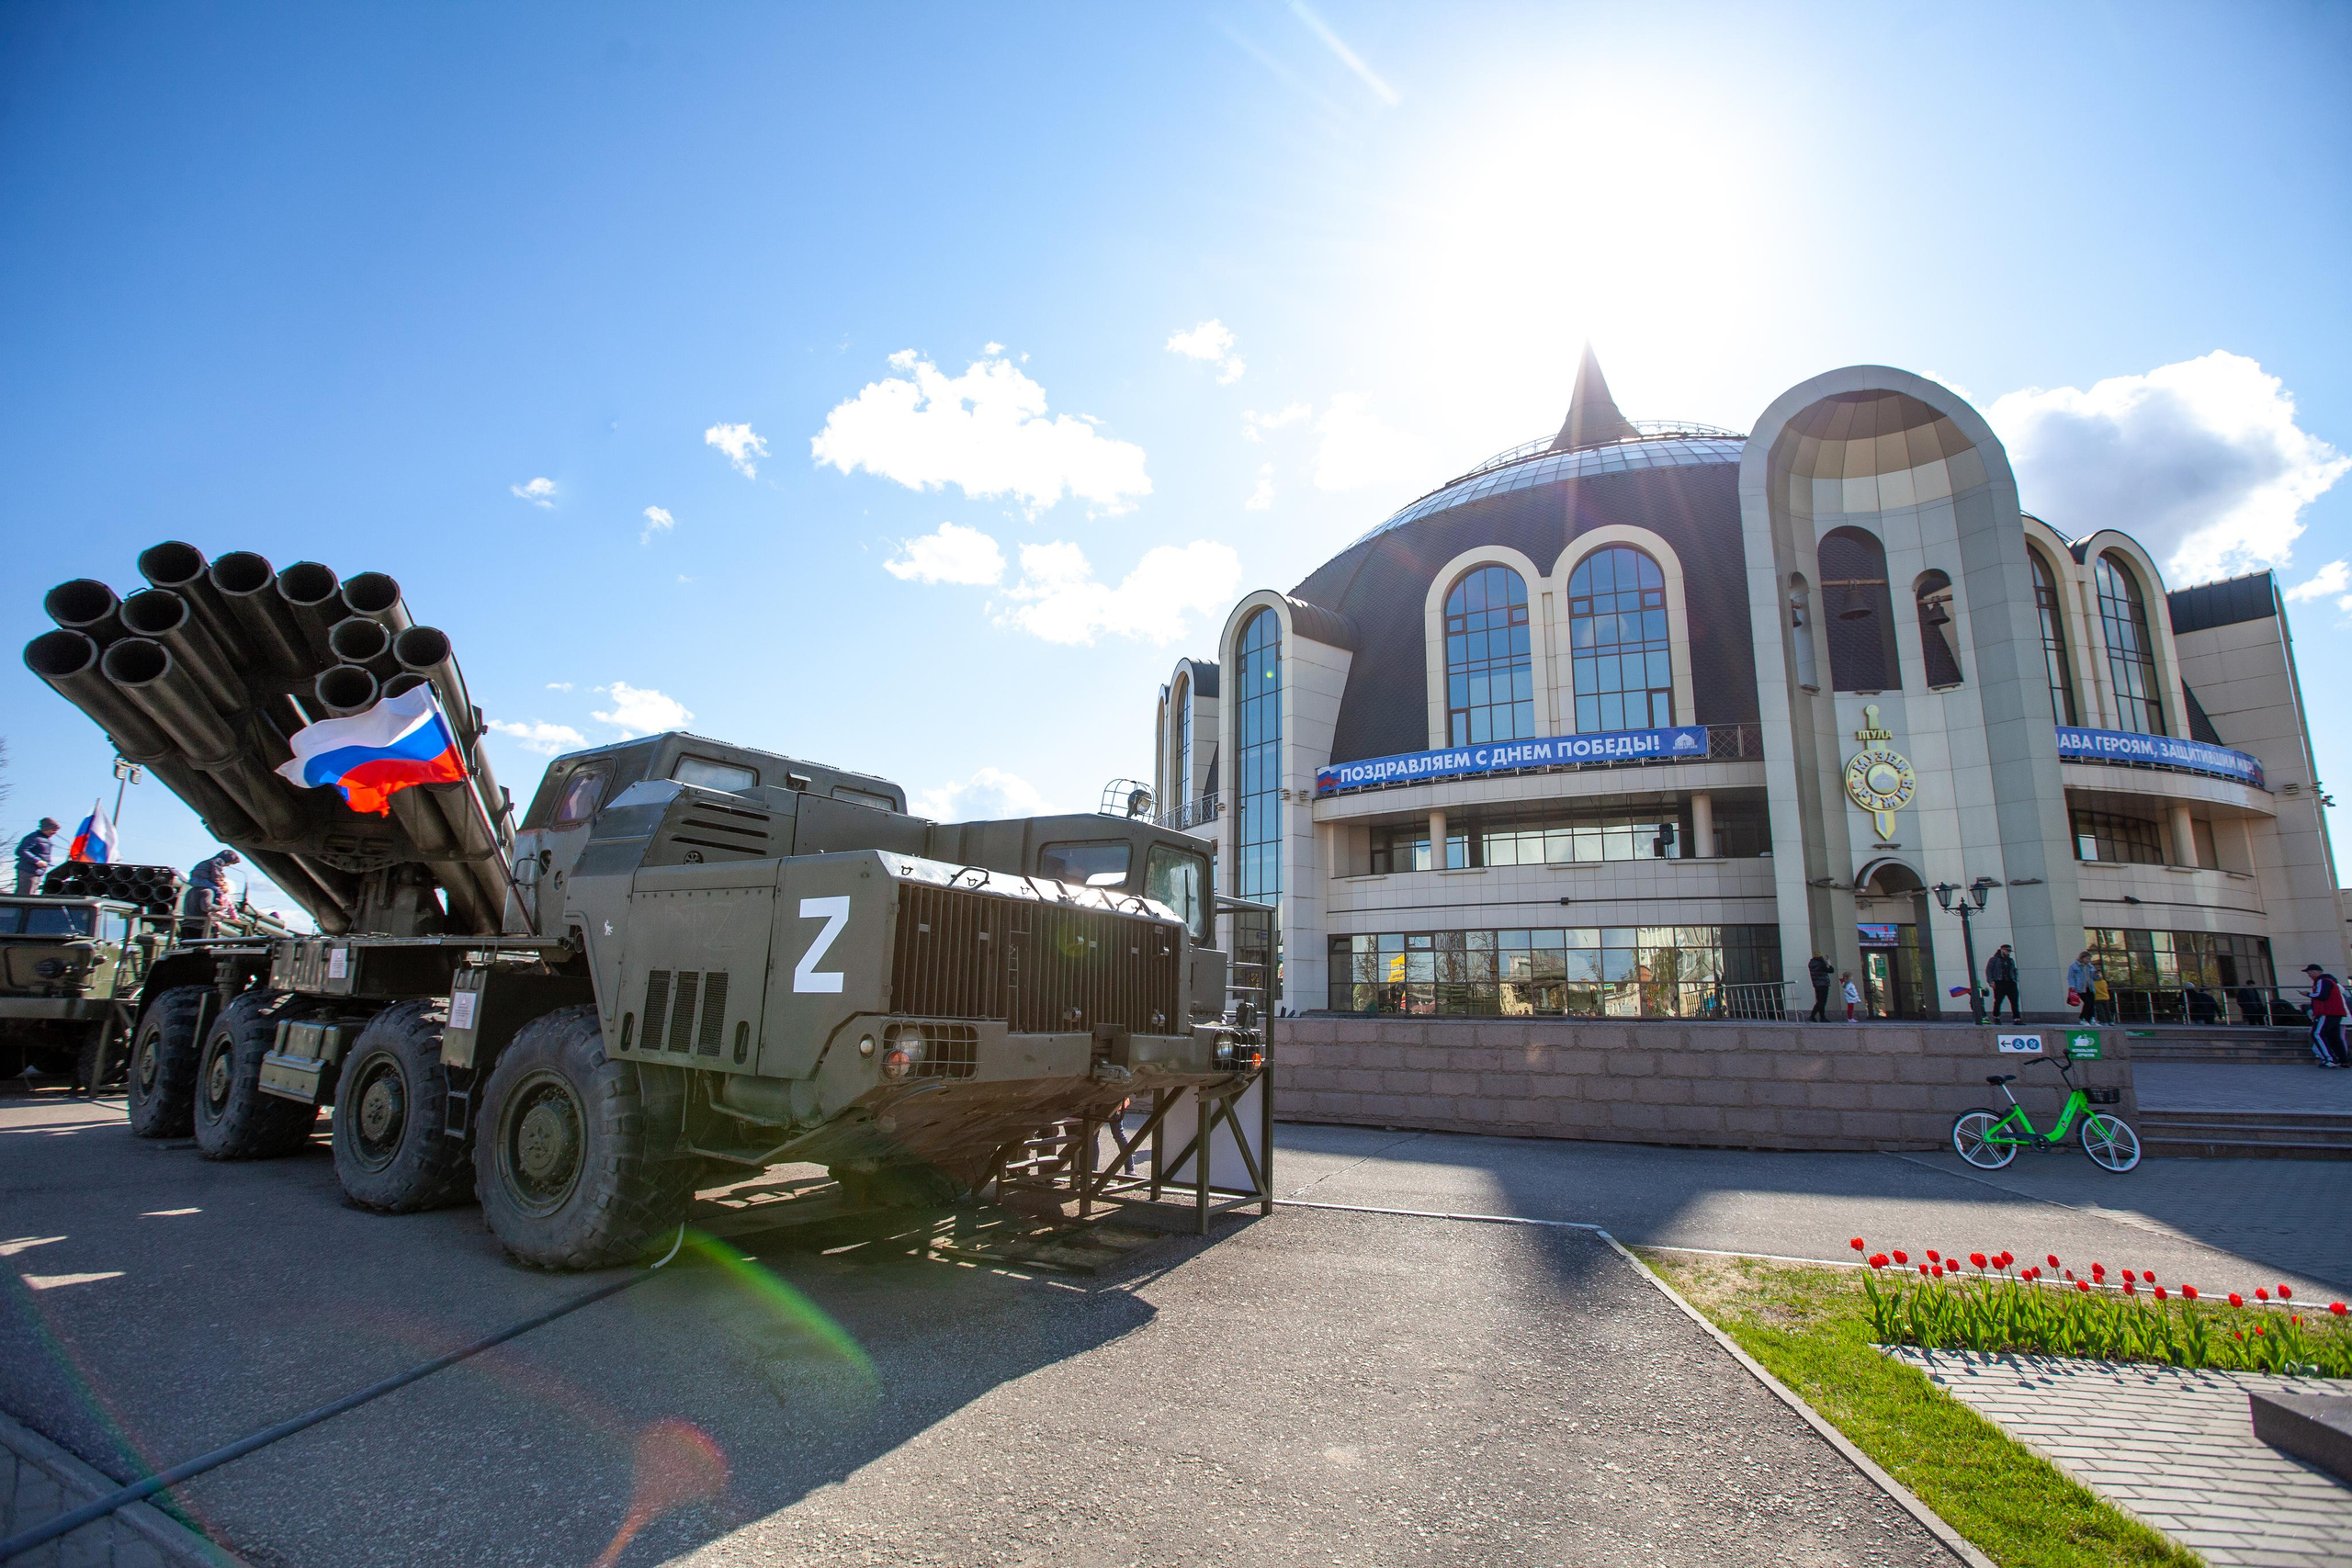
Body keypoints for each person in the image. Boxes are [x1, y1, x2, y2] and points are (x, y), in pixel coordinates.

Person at [2302, 963, 2348, 1068]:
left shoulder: (2322, 981)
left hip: (2327, 1012)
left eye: (2309, 973)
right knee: (2334, 1037)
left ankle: (2330, 1059)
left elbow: (2322, 996)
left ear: (2315, 972)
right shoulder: (2329, 981)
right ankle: (2343, 1060)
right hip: (2336, 1012)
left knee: (2317, 1033)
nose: (2309, 975)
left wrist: (2307, 994)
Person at [14, 818, 60, 895]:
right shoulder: (34, 837)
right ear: (46, 828)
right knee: (25, 896)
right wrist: (37, 861)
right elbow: (21, 851)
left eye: (56, 830)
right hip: (28, 871)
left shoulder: (45, 840)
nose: (55, 832)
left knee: (30, 895)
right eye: (53, 829)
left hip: (36, 872)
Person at [1984, 944, 2022, 1023]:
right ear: (2001, 950)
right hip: (1999, 982)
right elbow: (1989, 970)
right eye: (2006, 951)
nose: (2008, 953)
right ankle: (1996, 1017)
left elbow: (2014, 970)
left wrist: (2015, 979)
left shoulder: (2010, 960)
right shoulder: (1994, 960)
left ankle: (2017, 1018)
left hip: (2010, 982)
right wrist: (1991, 981)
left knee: (2014, 1001)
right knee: (1998, 1001)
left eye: (2009, 951)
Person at [2067, 950, 2099, 1023]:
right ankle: (2083, 1018)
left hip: (2090, 987)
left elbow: (2094, 978)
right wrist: (2072, 986)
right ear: (2082, 958)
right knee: (2088, 1003)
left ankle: (2091, 1018)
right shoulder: (2074, 966)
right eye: (2087, 959)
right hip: (2081, 988)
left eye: (2089, 959)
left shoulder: (2090, 966)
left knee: (2092, 1003)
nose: (2088, 960)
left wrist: (2096, 975)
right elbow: (2071, 977)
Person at [1807, 953, 1833, 1022]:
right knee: (1822, 1002)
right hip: (1823, 984)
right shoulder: (1821, 964)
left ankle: (1817, 1017)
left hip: (1816, 984)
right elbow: (1831, 970)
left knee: (1820, 1001)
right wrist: (1829, 963)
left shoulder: (1811, 963)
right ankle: (1816, 1016)